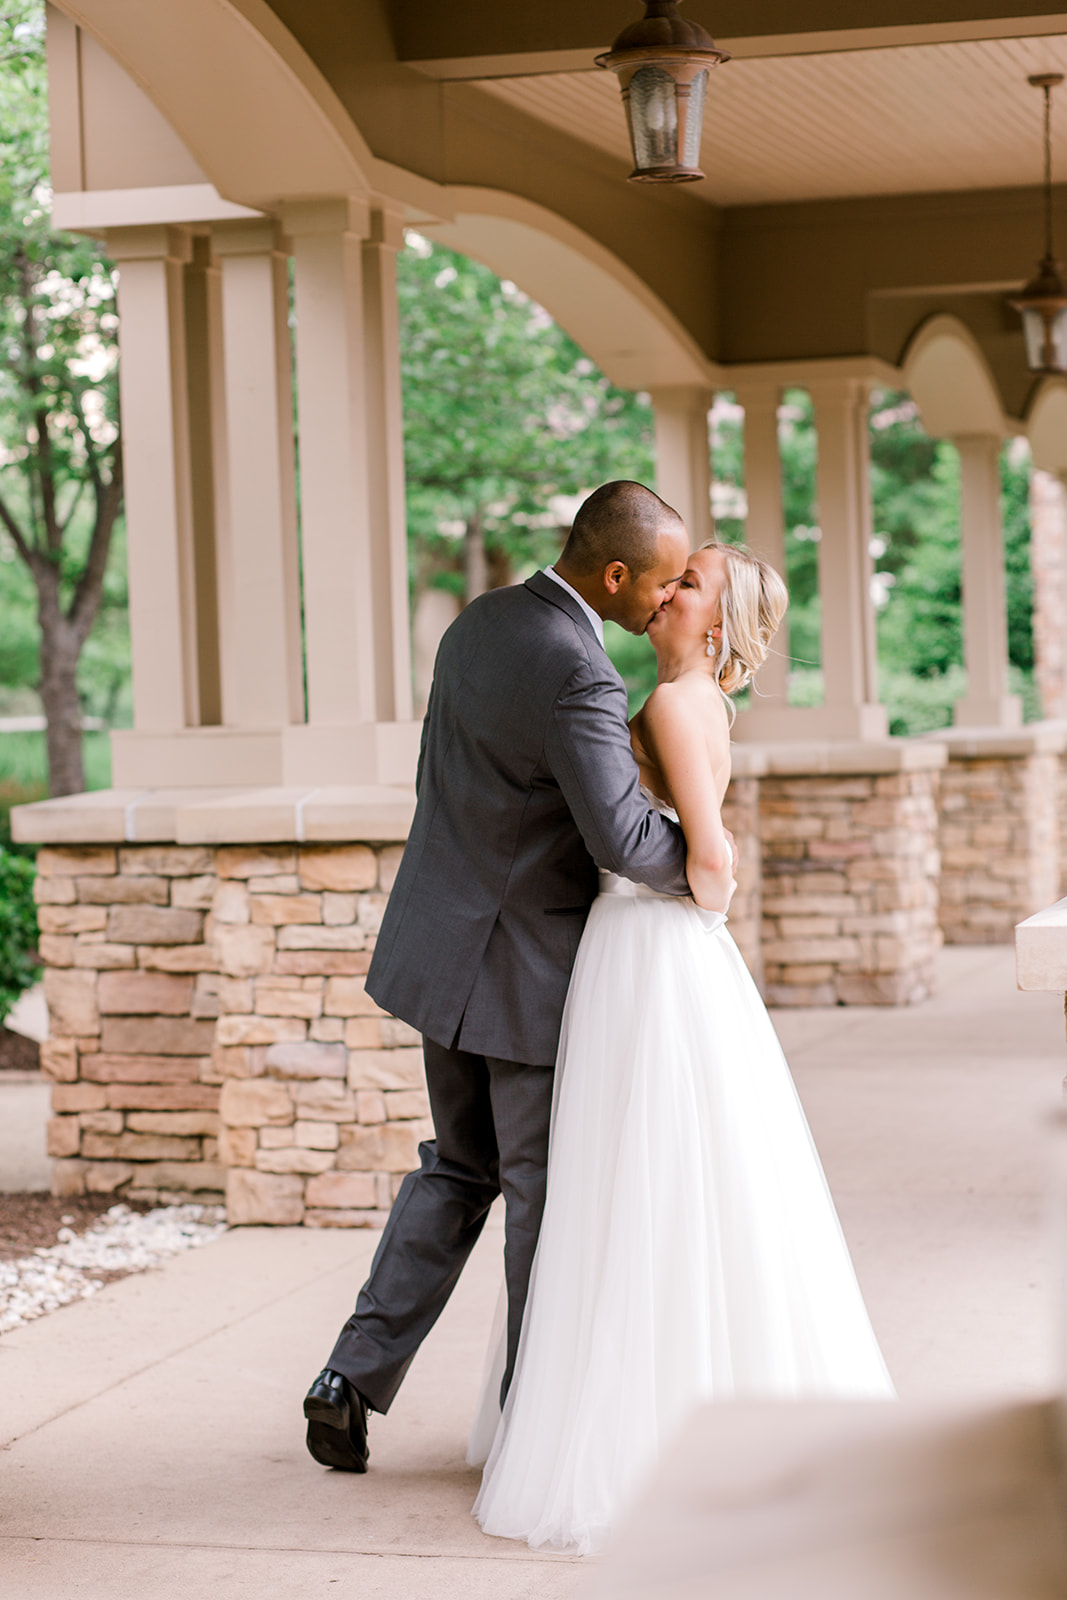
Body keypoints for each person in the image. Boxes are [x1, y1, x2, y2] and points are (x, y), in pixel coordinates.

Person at [471, 541, 896, 1555]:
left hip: (650, 948)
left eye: (687, 580)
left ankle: (637, 1431)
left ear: (710, 624)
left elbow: (708, 863)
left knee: (634, 1176)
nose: (666, 588)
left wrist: (689, 895)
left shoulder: (671, 703)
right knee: (673, 1175)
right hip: (658, 951)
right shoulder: (696, 700)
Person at [302, 481, 692, 1472]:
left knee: (457, 1166)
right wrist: (708, 850)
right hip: (519, 967)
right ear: (613, 573)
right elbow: (623, 836)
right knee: (536, 1189)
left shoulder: (478, 625)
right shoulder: (579, 671)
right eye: (657, 583)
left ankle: (346, 1377)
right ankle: (531, 1419)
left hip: (441, 944)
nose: (663, 601)